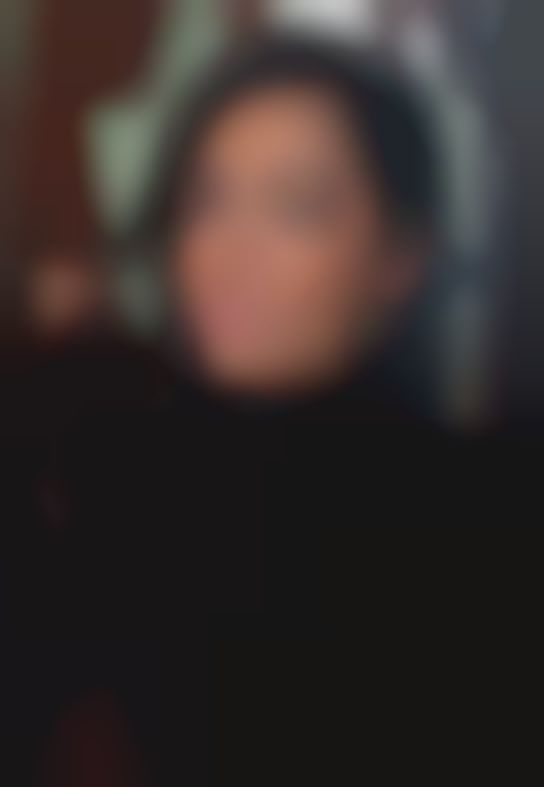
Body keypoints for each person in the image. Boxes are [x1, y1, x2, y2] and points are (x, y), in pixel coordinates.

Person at [9, 36, 523, 787]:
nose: (229, 252)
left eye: (295, 208)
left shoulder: (474, 528)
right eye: (207, 200)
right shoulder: (100, 448)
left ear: (400, 256)